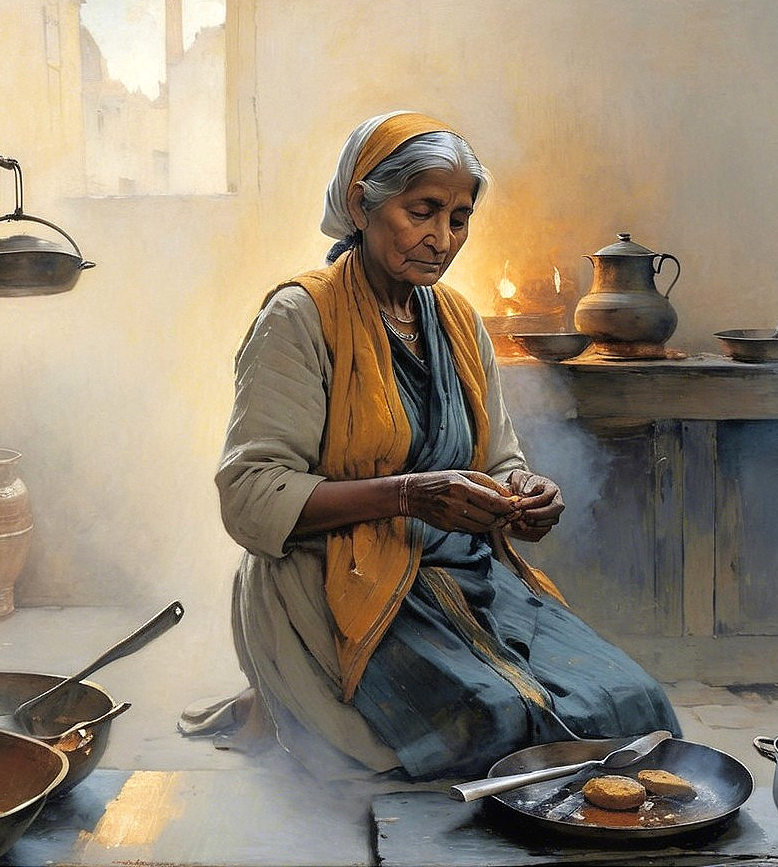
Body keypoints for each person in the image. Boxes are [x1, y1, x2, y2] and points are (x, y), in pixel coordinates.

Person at [180, 111, 681, 783]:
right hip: (339, 587)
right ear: (362, 203)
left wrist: (524, 494)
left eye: (458, 217)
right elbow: (250, 498)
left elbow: (498, 459)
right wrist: (411, 495)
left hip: (466, 577)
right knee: (500, 721)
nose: (442, 239)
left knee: (633, 708)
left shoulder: (456, 318)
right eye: (422, 211)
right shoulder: (300, 318)